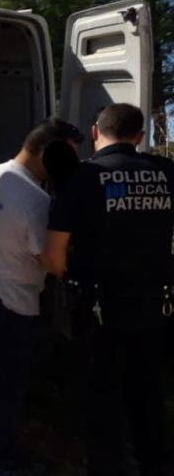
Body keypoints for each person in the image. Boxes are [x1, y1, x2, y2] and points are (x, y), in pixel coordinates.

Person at [44, 103, 173, 476]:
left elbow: (55, 253)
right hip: (155, 304)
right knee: (148, 387)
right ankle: (156, 463)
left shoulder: (83, 177)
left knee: (102, 392)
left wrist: (61, 277)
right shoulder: (165, 172)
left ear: (97, 132)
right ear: (140, 136)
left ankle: (108, 466)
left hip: (100, 306)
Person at [0, 118, 84, 471]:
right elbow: (53, 263)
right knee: (5, 386)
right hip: (9, 300)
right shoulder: (36, 201)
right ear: (46, 152)